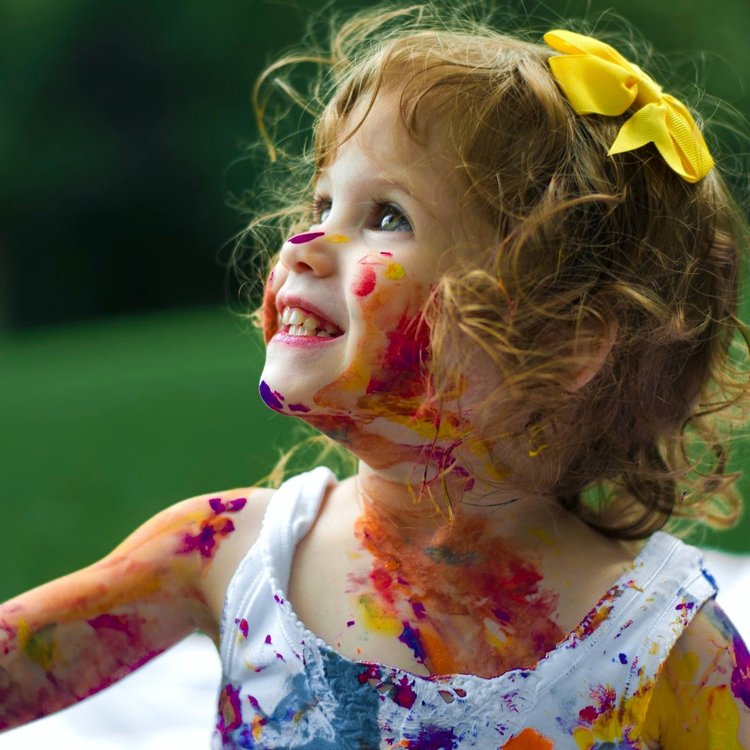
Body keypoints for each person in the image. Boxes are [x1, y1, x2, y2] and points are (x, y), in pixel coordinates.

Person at [2, 4, 750, 748]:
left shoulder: (659, 647)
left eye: (387, 216)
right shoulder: (231, 554)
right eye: (324, 202)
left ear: (564, 340)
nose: (305, 241)